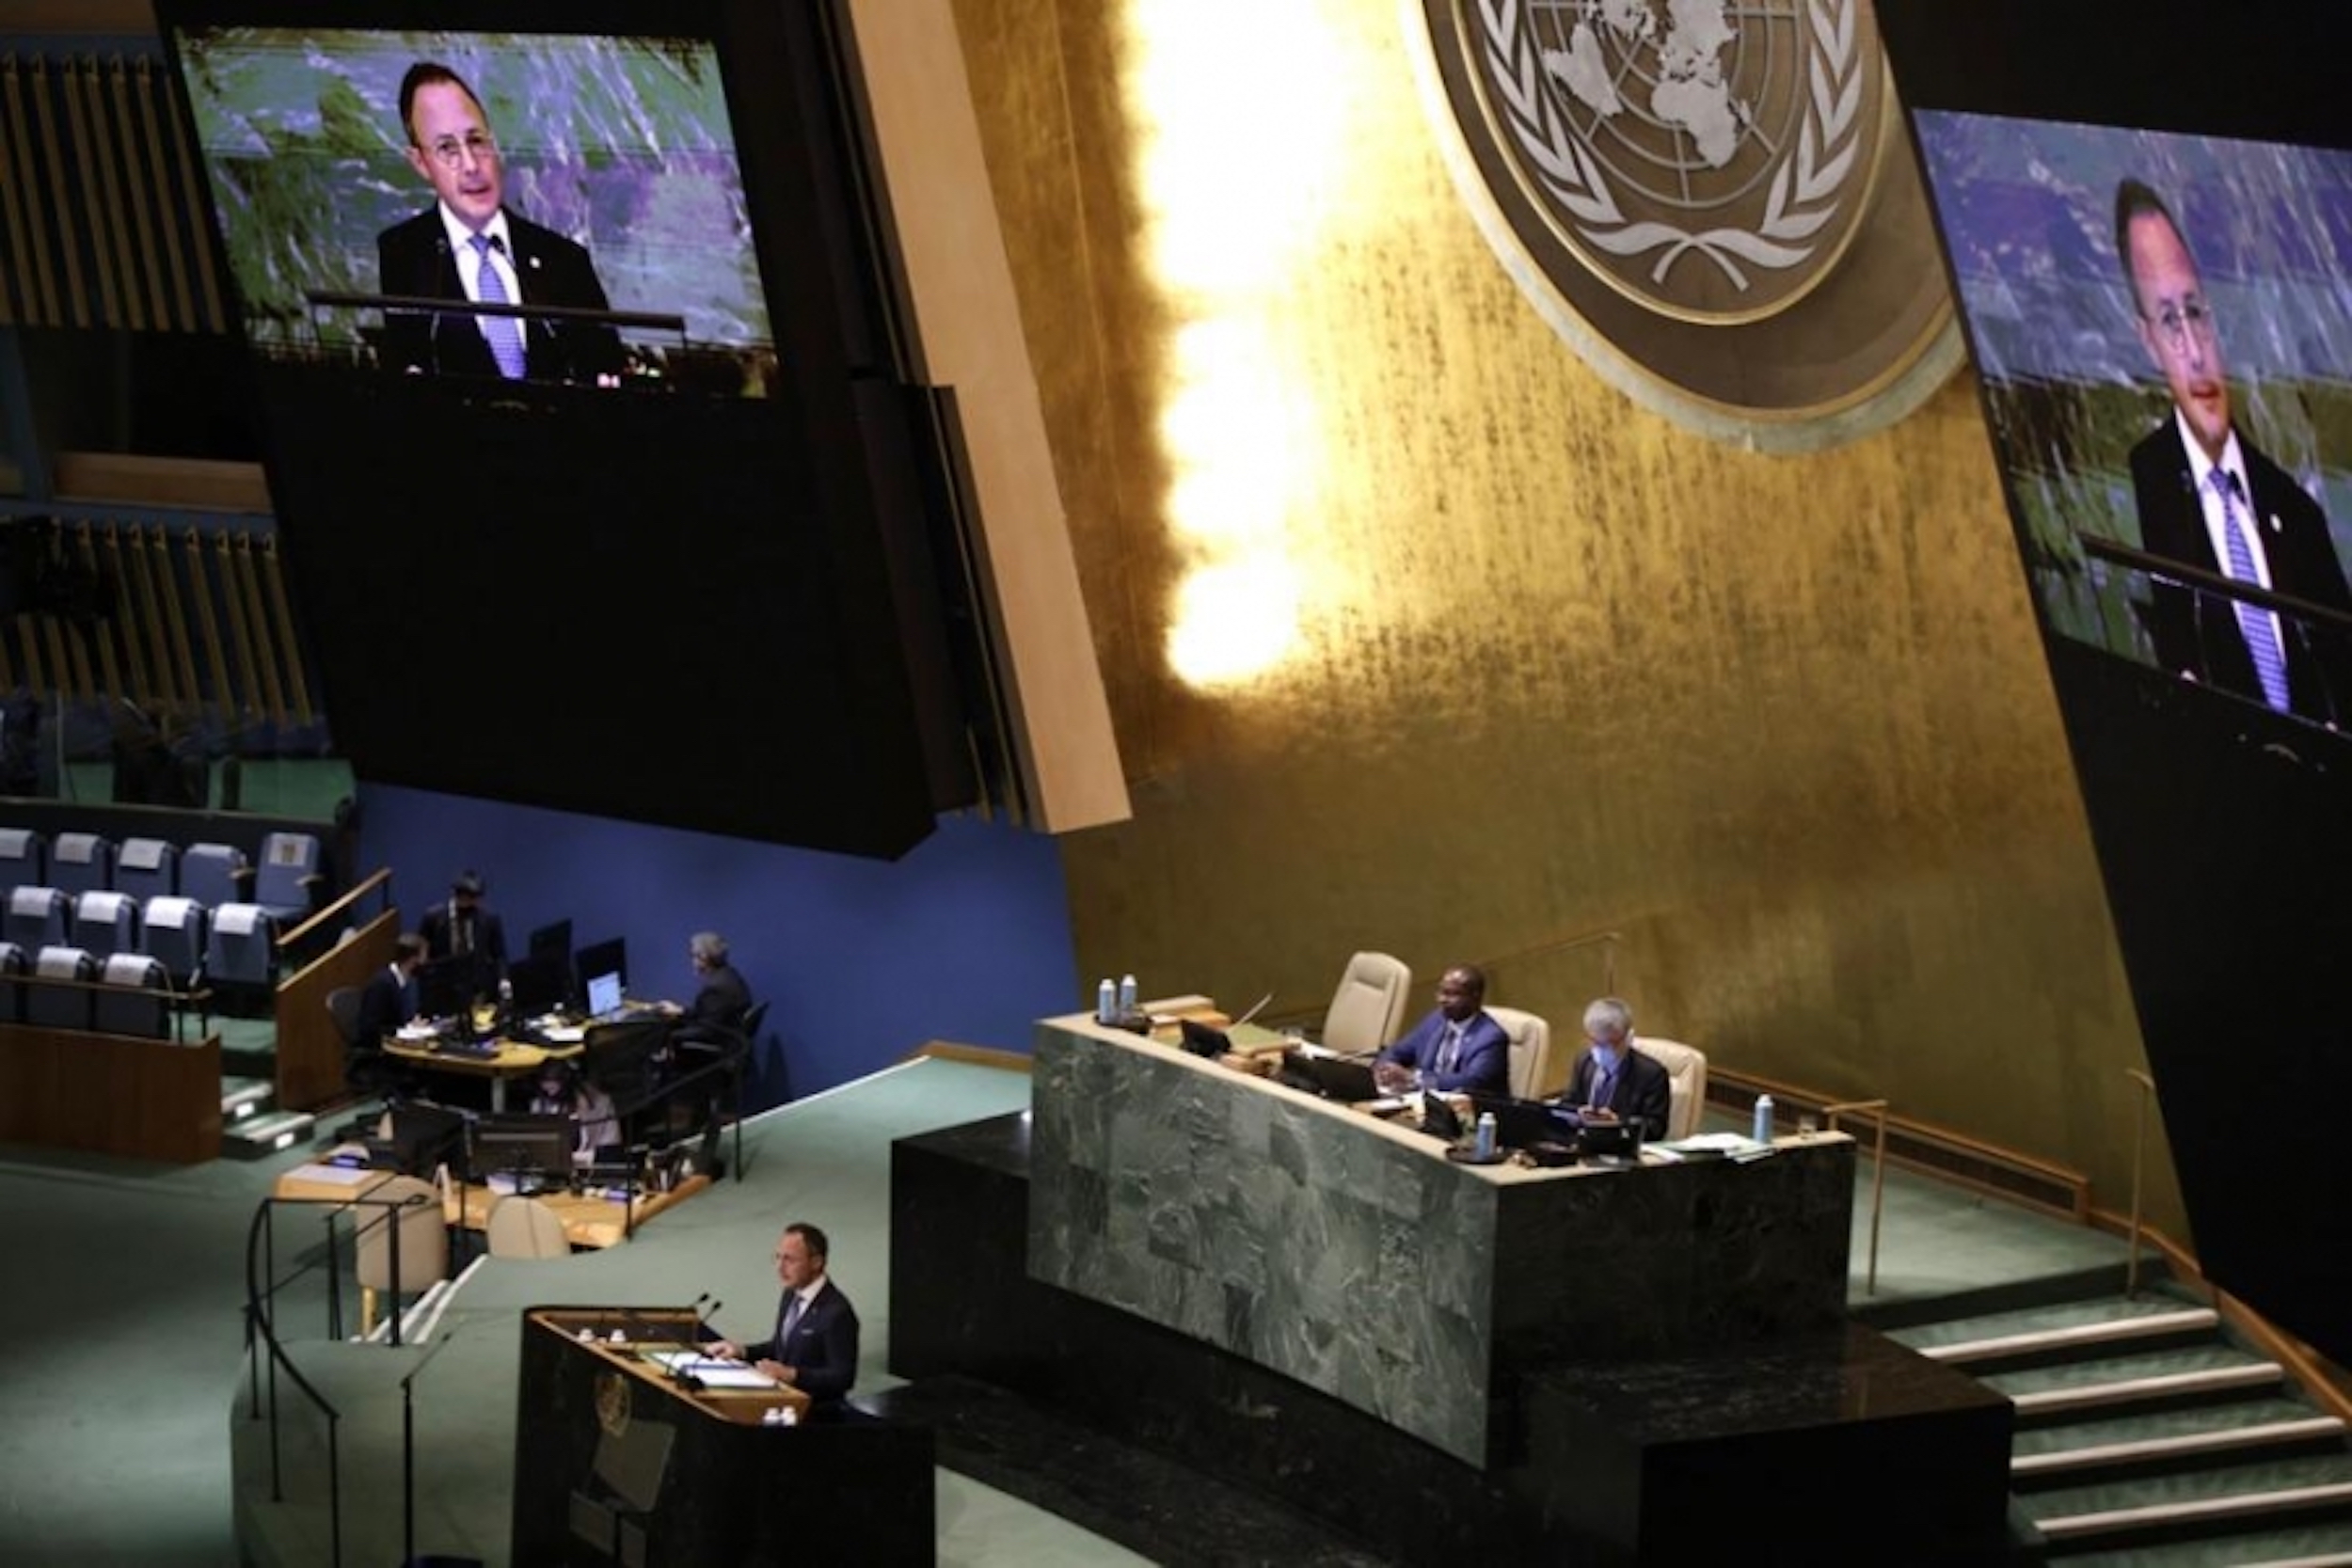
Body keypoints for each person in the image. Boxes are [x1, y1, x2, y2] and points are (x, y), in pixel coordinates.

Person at [2117, 179, 2352, 724]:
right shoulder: (2136, 492)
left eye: (2195, 312)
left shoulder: (2297, 514)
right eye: (2170, 321)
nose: (2195, 353)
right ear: (2147, 340)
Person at [375, 61, 623, 386]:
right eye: (447, 148)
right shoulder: (403, 255)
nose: (470, 165)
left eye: (476, 140)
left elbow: (608, 371)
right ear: (420, 163)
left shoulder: (566, 260)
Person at [706, 1222, 860, 1402]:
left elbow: (843, 1378)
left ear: (816, 1262)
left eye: (790, 1260)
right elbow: (780, 1347)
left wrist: (793, 1375)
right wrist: (742, 1351)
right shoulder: (791, 1295)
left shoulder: (837, 1313)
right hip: (782, 1399)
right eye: (778, 1257)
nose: (779, 1267)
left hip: (815, 1411)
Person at [1373, 964, 1510, 1098]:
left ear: (1475, 997)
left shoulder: (1491, 1038)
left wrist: (1414, 1078)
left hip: (1470, 1108)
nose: (1442, 1000)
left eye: (1452, 994)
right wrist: (1385, 1069)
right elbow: (1397, 1051)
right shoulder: (1437, 1019)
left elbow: (1471, 1082)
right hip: (1425, 1101)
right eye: (1441, 992)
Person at [1556, 996, 1671, 1143]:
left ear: (1628, 1038)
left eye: (1611, 1043)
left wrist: (1618, 1122)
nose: (1602, 1050)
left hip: (1622, 1148)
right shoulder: (1584, 1061)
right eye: (1596, 1042)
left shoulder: (1651, 1074)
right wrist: (1578, 1113)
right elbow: (1567, 1104)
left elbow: (1656, 1128)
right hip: (1585, 1143)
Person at [417, 869, 507, 985]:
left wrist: (503, 979)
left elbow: (499, 955)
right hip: (442, 983)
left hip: (477, 982)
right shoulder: (433, 918)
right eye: (466, 897)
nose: (470, 902)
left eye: (475, 898)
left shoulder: (489, 920)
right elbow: (422, 953)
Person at [663, 930, 753, 1045]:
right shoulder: (730, 975)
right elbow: (708, 1015)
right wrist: (680, 1011)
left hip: (720, 1043)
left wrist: (668, 1036)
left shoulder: (716, 989)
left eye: (692, 955)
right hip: (730, 1037)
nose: (692, 961)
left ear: (703, 957)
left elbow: (706, 1032)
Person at [528, 1059, 619, 1166]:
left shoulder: (600, 1103)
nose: (550, 1095)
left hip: (593, 1165)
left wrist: (583, 1157)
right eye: (546, 1091)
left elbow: (610, 1148)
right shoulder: (539, 1105)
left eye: (553, 1089)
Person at [354, 933, 428, 1053]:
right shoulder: (381, 985)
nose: (426, 962)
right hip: (379, 1052)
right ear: (413, 960)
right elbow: (370, 1029)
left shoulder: (405, 982)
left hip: (398, 1047)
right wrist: (404, 1030)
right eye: (423, 957)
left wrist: (411, 1023)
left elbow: (398, 1018)